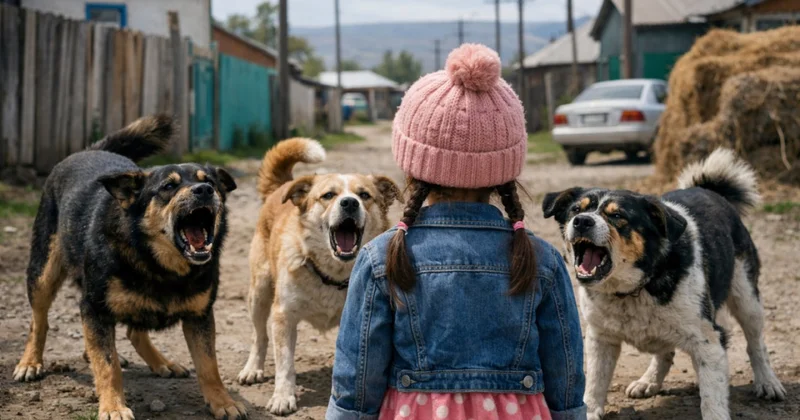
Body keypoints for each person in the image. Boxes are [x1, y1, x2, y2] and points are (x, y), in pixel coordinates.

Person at [326, 43, 586, 420]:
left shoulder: (382, 257)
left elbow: (358, 376)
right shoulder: (542, 259)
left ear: (412, 163)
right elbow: (566, 373)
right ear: (506, 169)